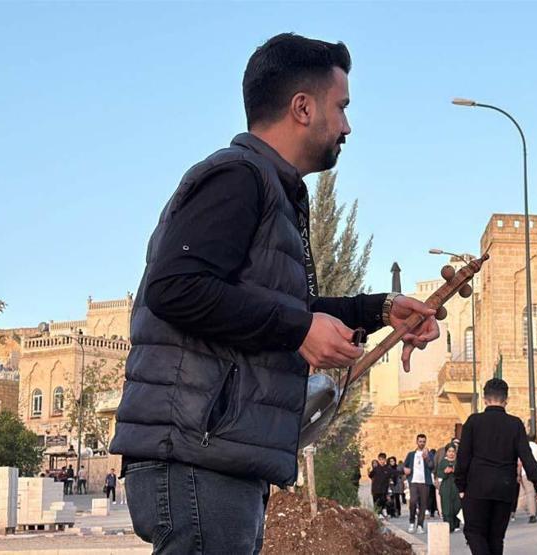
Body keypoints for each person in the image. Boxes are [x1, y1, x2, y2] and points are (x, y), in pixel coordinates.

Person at [108, 33, 440, 554]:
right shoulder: (236, 178)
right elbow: (174, 288)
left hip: (219, 457)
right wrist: (298, 328)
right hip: (197, 456)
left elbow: (285, 310)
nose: (348, 126)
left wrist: (380, 310)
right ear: (303, 108)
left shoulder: (271, 190)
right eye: (342, 107)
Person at [456, 378, 537, 555]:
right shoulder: (515, 424)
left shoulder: (473, 422)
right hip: (504, 487)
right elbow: (527, 457)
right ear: (506, 400)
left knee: (474, 532)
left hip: (477, 487)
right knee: (496, 537)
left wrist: (460, 485)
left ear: (484, 399)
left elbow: (463, 457)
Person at [404, 434, 435, 534]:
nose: (422, 443)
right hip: (413, 481)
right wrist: (405, 469)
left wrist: (426, 458)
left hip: (425, 482)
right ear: (417, 442)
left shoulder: (429, 454)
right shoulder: (411, 454)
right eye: (420, 441)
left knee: (423, 504)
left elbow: (431, 467)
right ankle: (412, 522)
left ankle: (420, 525)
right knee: (412, 501)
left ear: (425, 442)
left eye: (423, 441)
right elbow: (403, 466)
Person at [520, 432, 537, 523]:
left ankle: (532, 515)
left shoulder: (524, 448)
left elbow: (520, 463)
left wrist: (519, 474)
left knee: (530, 493)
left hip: (526, 473)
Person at [438, 445, 461, 533]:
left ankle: (456, 524)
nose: (451, 453)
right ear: (446, 452)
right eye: (449, 451)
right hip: (446, 486)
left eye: (453, 451)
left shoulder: (458, 462)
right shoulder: (443, 462)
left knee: (457, 506)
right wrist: (445, 472)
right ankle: (448, 526)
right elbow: (439, 474)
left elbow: (462, 473)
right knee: (447, 507)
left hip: (456, 486)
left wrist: (455, 470)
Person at [369, 453, 391, 519]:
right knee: (376, 501)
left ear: (385, 460)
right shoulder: (376, 468)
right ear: (378, 460)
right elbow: (370, 475)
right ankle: (378, 514)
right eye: (380, 459)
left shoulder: (387, 468)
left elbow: (388, 479)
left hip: (384, 488)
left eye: (383, 459)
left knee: (383, 500)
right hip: (376, 489)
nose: (381, 461)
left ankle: (383, 511)